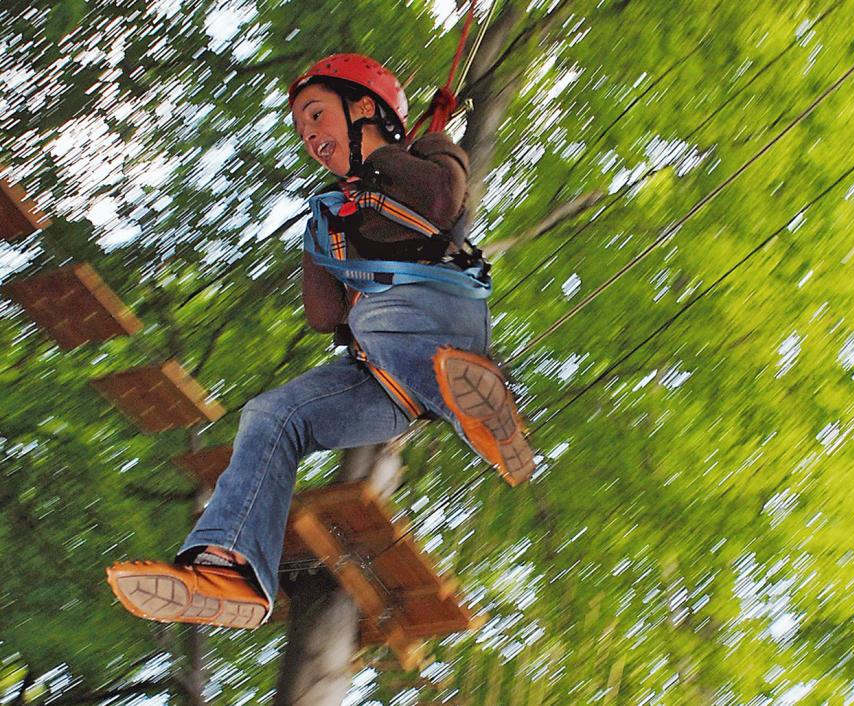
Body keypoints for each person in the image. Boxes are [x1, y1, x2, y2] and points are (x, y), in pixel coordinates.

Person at [106, 54, 534, 630]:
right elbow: (323, 313)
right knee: (272, 415)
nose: (309, 136)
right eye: (301, 128)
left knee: (375, 322)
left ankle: (486, 412)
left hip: (443, 317)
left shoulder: (427, 155)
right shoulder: (328, 215)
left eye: (317, 115)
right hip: (384, 378)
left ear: (364, 110)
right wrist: (339, 230)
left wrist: (391, 157)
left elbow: (438, 199)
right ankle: (231, 568)